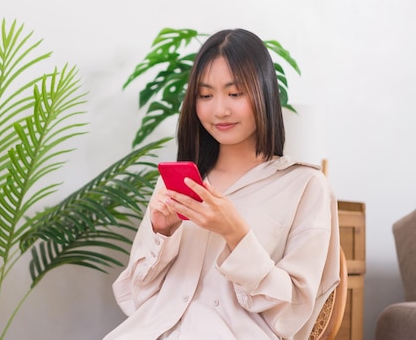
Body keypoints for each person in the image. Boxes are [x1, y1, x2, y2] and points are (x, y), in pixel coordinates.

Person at [104, 29, 341, 340]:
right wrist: (161, 232)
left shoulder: (306, 186)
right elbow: (136, 297)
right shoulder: (175, 183)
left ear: (263, 93)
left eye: (235, 93)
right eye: (205, 95)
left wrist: (236, 234)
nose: (219, 110)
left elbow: (295, 312)